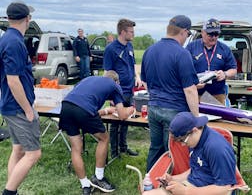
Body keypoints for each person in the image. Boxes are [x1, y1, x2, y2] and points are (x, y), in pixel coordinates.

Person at [58, 70, 135, 195]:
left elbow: (82, 106)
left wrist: (105, 111)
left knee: (76, 148)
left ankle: (85, 185)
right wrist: (130, 110)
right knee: (104, 138)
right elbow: (121, 115)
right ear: (117, 81)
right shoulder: (115, 86)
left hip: (66, 107)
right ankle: (99, 177)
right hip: (83, 110)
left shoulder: (89, 79)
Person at [141, 15, 199, 172]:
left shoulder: (149, 51)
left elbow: (144, 81)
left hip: (153, 108)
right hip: (174, 111)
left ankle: (150, 182)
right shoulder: (182, 53)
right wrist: (196, 118)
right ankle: (170, 184)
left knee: (155, 148)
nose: (187, 38)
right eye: (188, 34)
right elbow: (190, 89)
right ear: (184, 32)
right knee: (174, 151)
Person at [0, 1, 41, 195]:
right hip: (17, 107)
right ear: (27, 19)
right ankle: (9, 192)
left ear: (9, 19)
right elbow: (13, 81)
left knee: (18, 150)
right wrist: (27, 109)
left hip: (9, 104)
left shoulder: (7, 38)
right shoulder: (14, 42)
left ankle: (11, 189)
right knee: (33, 153)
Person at [143, 112, 236, 195]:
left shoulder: (217, 148)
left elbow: (225, 189)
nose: (183, 145)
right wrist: (173, 179)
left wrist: (185, 191)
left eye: (183, 140)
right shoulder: (196, 140)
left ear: (195, 130)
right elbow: (196, 169)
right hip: (193, 186)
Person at [103, 18, 142, 158]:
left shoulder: (129, 46)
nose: (133, 34)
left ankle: (124, 147)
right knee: (115, 122)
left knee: (127, 119)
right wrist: (110, 95)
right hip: (117, 92)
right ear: (123, 32)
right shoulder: (111, 49)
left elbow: (132, 65)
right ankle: (114, 152)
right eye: (131, 32)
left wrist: (137, 77)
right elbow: (107, 73)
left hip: (130, 91)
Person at [186, 18, 237, 105]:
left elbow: (233, 69)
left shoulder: (224, 49)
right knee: (195, 117)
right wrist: (192, 82)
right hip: (195, 93)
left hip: (217, 95)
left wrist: (225, 74)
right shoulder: (191, 47)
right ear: (202, 32)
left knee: (218, 118)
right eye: (210, 34)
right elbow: (183, 69)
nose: (213, 37)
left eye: (216, 34)